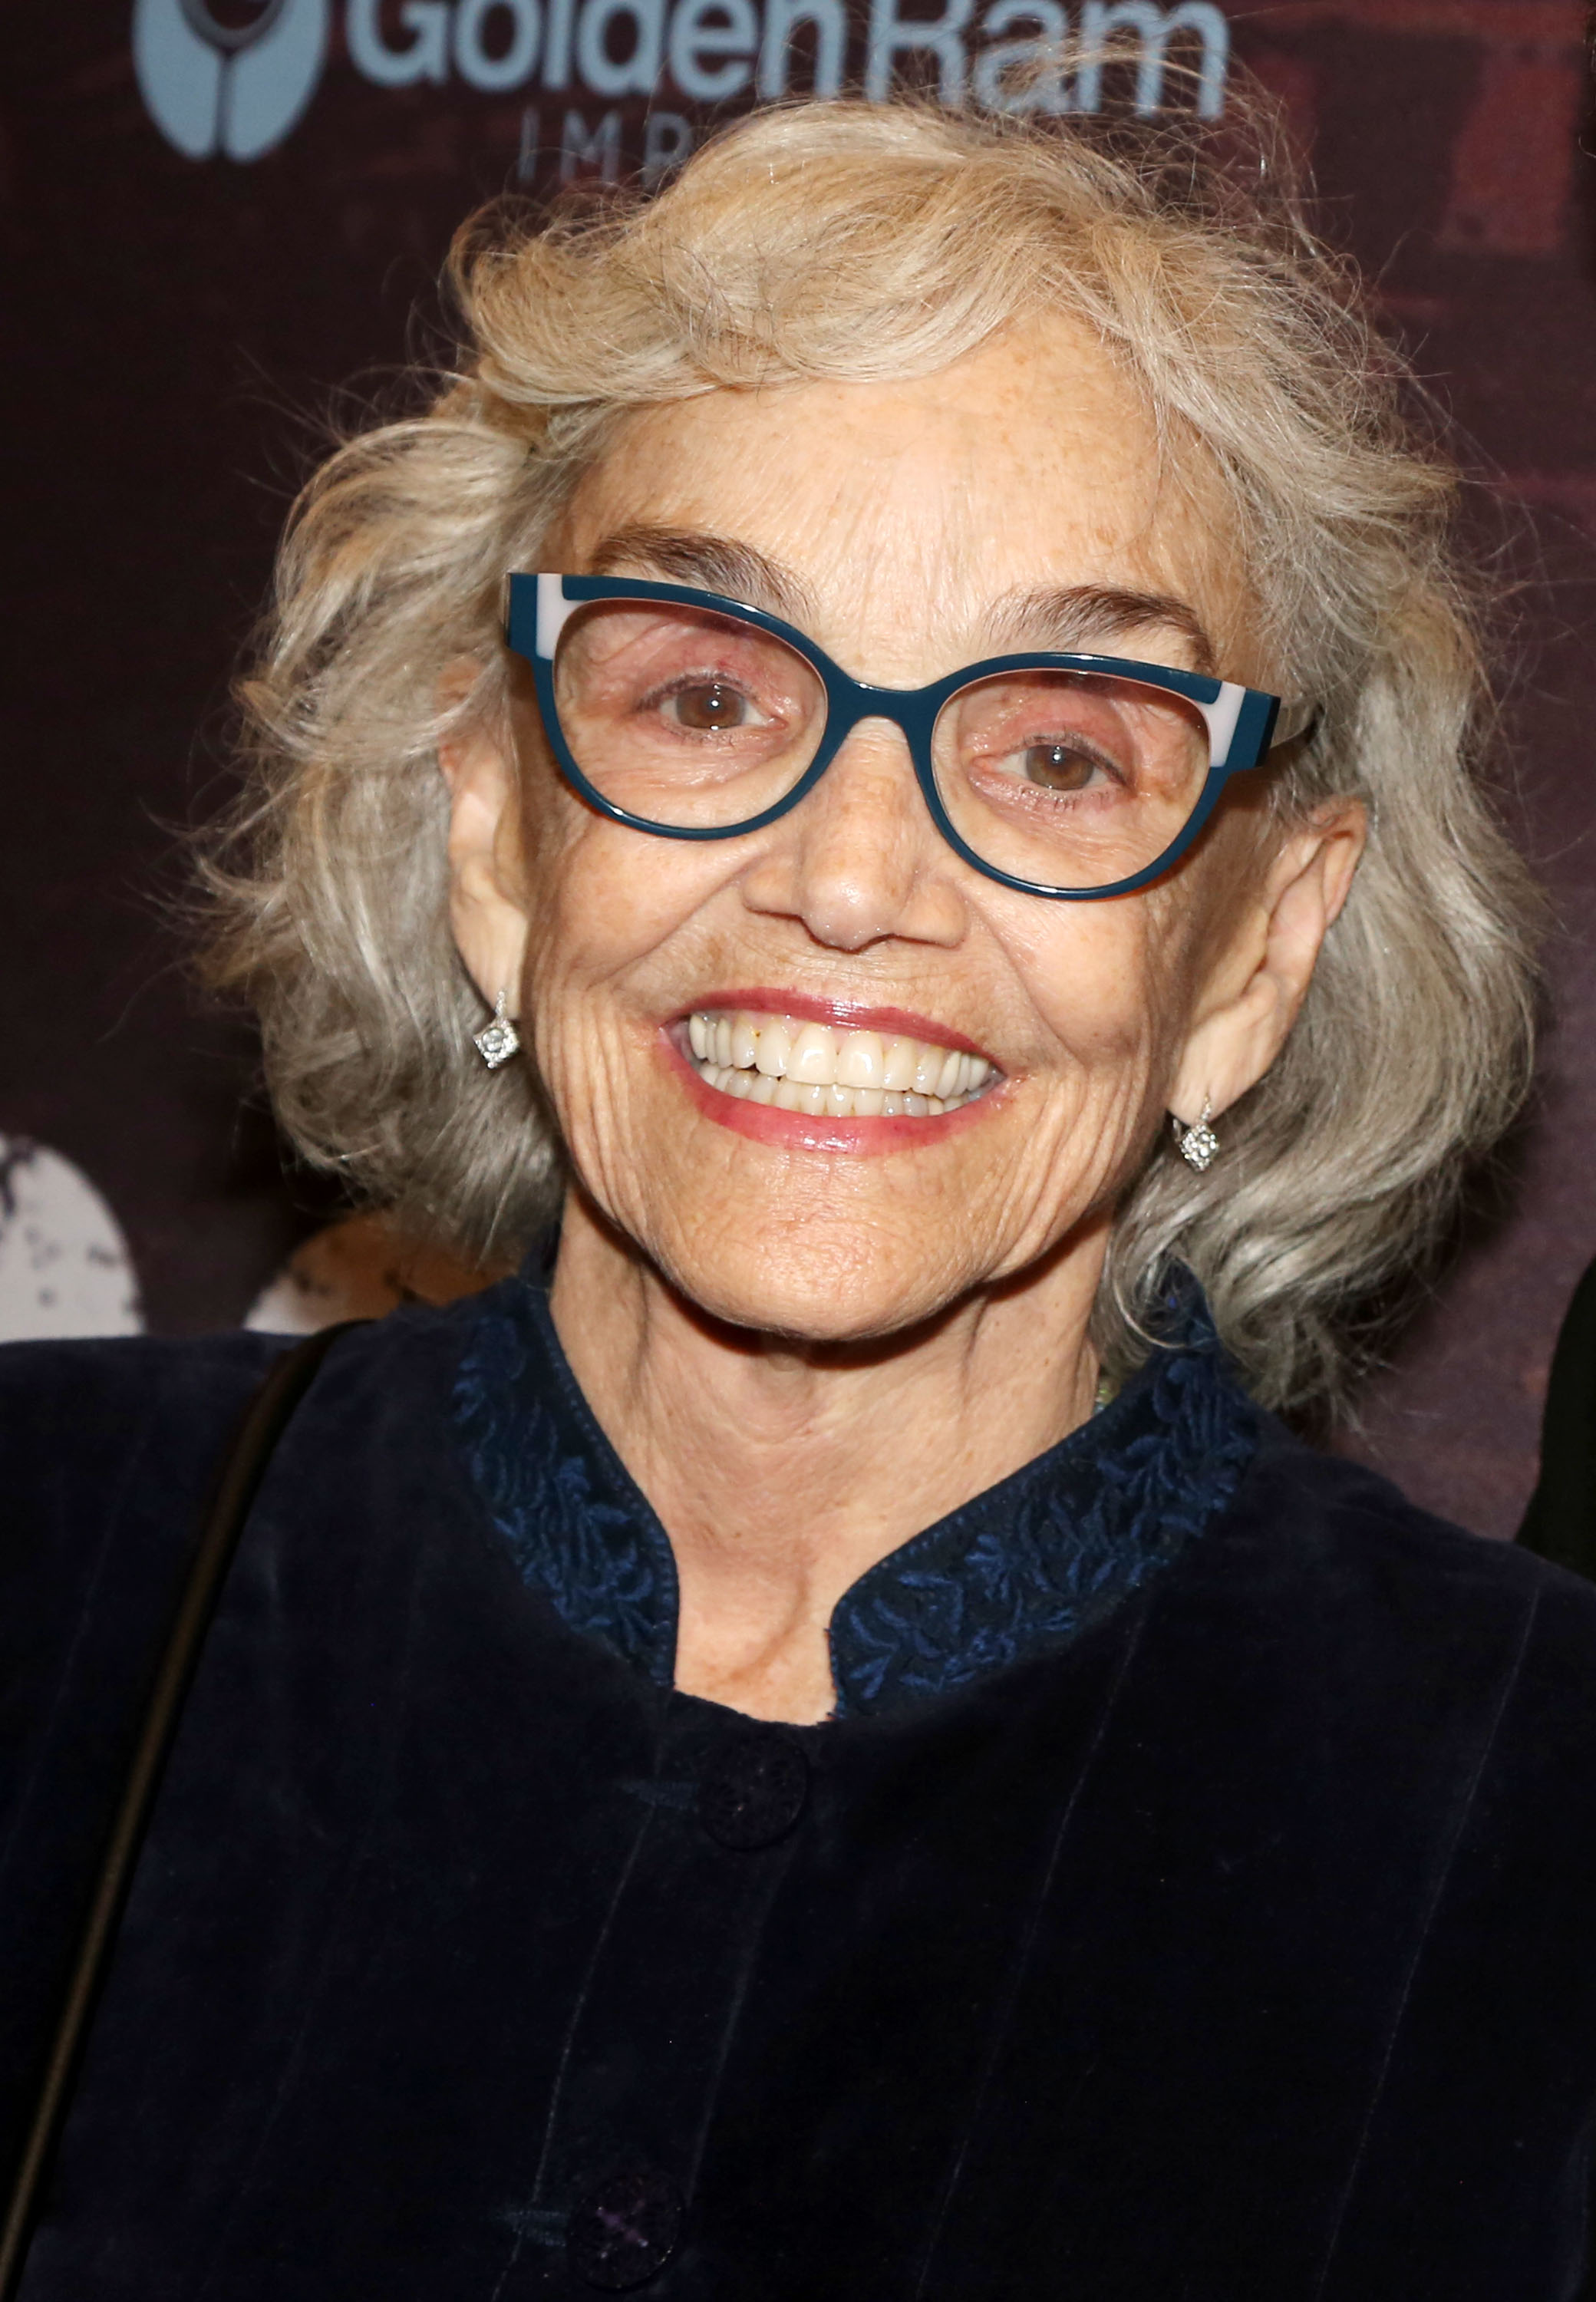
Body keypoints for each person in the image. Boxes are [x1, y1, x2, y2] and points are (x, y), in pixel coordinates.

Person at [2, 88, 1591, 2301]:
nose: (850, 880)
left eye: (1059, 748)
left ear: (1254, 949)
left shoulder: (1543, 1815)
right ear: (495, 829)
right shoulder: (48, 1573)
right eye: (707, 695)